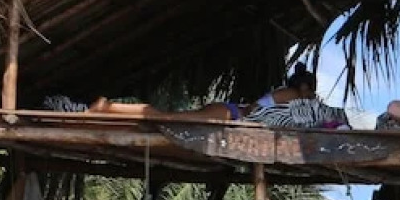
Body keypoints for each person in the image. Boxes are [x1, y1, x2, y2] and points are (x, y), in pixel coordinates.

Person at [87, 64, 319, 121]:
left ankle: (109, 108)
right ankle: (108, 107)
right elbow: (256, 106)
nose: (312, 98)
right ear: (304, 88)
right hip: (231, 114)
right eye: (312, 93)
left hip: (228, 112)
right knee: (165, 118)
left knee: (166, 117)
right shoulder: (291, 95)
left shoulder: (291, 97)